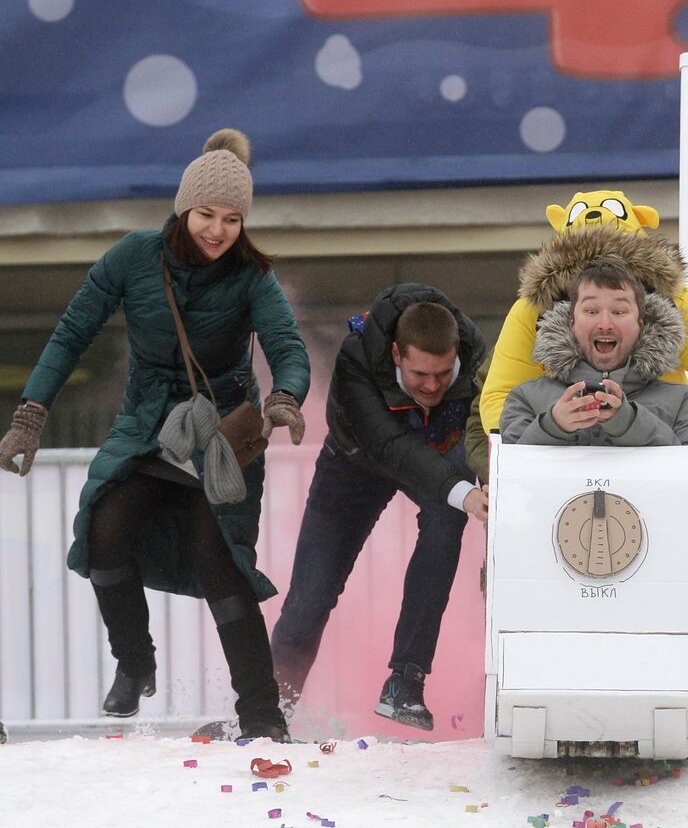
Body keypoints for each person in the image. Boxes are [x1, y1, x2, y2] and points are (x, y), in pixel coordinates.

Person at [0, 130, 310, 740]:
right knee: (104, 529)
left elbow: (287, 347)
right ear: (181, 207)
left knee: (221, 563)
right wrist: (30, 415)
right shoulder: (133, 257)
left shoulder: (251, 278)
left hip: (219, 440)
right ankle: (135, 661)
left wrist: (283, 396)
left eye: (231, 219)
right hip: (146, 429)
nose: (217, 231)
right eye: (205, 215)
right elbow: (71, 333)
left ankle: (262, 716)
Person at [270, 285, 488, 731]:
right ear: (394, 354)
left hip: (437, 455)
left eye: (443, 375)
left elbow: (485, 426)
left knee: (448, 517)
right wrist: (460, 488)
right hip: (357, 461)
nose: (432, 386)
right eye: (419, 375)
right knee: (310, 598)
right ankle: (268, 711)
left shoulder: (478, 355)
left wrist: (476, 480)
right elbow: (390, 446)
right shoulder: (357, 357)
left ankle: (406, 681)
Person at [480, 191, 688, 457]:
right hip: (561, 469)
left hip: (658, 455)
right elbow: (503, 396)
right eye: (590, 304)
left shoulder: (678, 302)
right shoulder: (534, 308)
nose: (604, 320)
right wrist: (509, 440)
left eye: (619, 304)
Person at [501, 259, 688, 446]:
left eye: (619, 312)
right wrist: (552, 425)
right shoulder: (525, 398)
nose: (605, 324)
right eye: (591, 311)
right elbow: (509, 474)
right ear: (571, 322)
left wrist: (629, 421)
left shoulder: (685, 401)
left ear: (641, 323)